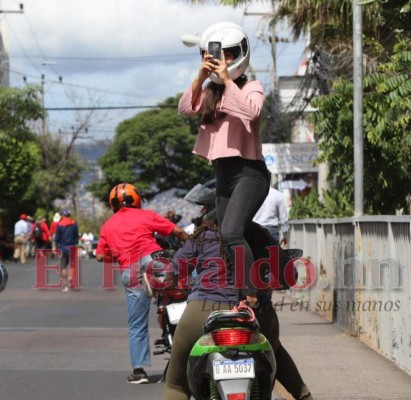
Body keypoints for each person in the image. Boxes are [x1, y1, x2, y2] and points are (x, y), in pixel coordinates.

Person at [164, 182, 312, 400]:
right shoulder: (258, 233)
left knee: (176, 385)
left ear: (215, 206)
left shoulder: (203, 236)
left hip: (202, 310)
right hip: (254, 312)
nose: (201, 212)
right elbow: (289, 276)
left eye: (203, 207)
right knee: (275, 353)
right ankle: (304, 396)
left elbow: (175, 271)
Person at [178, 22, 271, 305]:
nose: (223, 60)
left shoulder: (251, 87)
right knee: (225, 233)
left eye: (229, 55)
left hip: (249, 172)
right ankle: (243, 284)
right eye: (218, 55)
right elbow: (185, 109)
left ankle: (251, 291)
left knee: (231, 231)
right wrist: (201, 76)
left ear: (241, 55)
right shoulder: (210, 91)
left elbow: (251, 112)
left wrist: (227, 81)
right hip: (223, 171)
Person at [95, 183, 188, 384]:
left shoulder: (107, 225)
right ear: (136, 198)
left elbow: (100, 256)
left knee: (137, 324)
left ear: (112, 203)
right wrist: (195, 245)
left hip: (130, 270)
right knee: (184, 291)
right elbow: (178, 232)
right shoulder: (146, 215)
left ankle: (139, 371)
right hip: (154, 261)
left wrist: (120, 256)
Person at [55, 210, 79, 292]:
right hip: (72, 247)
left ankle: (65, 285)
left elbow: (57, 238)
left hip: (63, 247)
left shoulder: (59, 224)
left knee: (63, 266)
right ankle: (71, 277)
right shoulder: (74, 223)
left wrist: (56, 247)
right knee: (72, 264)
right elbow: (76, 236)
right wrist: (76, 244)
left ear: (63, 216)